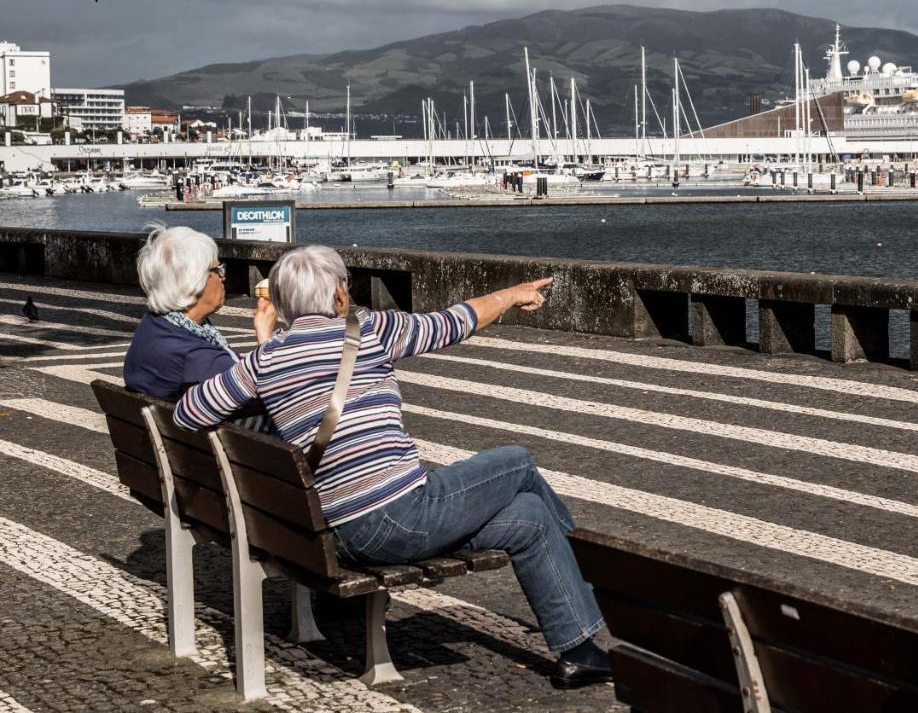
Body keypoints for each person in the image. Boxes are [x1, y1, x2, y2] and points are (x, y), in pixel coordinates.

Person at [174, 245, 611, 689]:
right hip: (400, 519)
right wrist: (511, 294)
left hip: (335, 536)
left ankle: (578, 651)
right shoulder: (371, 330)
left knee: (530, 519)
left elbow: (188, 413)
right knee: (516, 462)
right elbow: (455, 321)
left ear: (282, 304)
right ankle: (604, 585)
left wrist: (268, 357)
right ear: (341, 297)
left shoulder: (264, 361)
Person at [124, 225, 275, 401]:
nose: (223, 276)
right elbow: (269, 391)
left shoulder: (153, 325)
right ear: (194, 281)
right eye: (217, 270)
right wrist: (265, 337)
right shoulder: (195, 355)